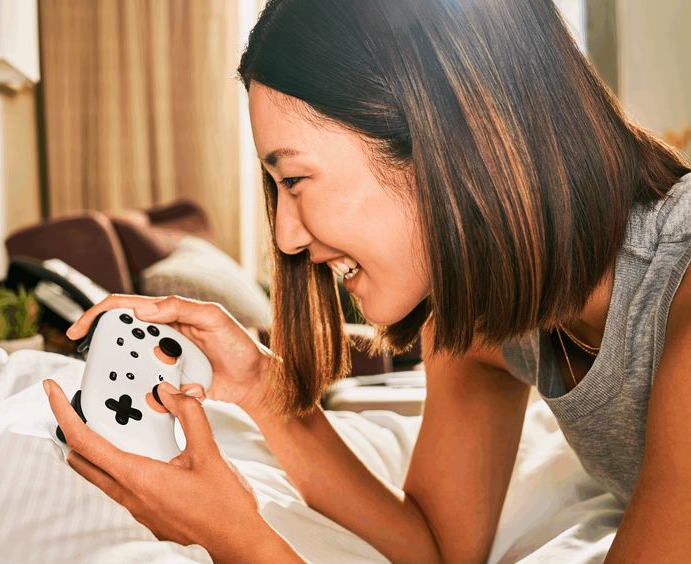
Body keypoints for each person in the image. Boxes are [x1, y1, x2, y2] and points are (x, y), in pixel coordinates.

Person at [45, 0, 691, 561]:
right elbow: (437, 546)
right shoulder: (485, 324)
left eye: (294, 180)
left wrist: (236, 538)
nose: (287, 238)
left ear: (448, 139)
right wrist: (266, 394)